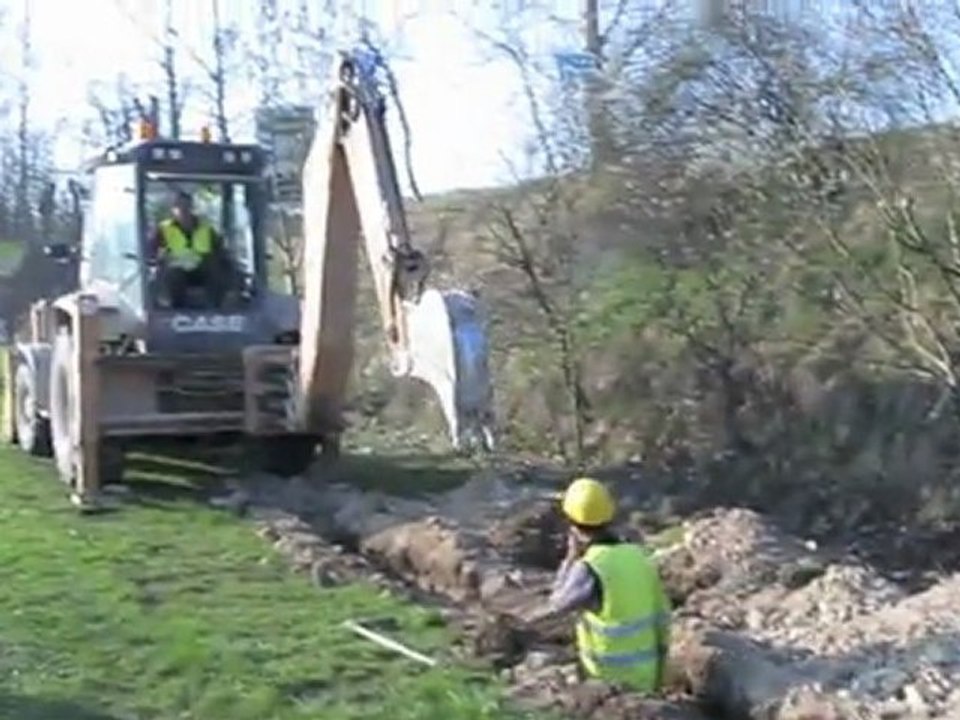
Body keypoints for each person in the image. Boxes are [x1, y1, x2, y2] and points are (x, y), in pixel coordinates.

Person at [525, 477, 671, 693]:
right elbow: (662, 616)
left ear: (573, 525)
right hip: (647, 678)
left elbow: (557, 603)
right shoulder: (638, 556)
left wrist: (571, 557)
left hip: (609, 684)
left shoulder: (591, 568)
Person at [151, 190, 227, 308]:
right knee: (172, 275)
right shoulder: (163, 229)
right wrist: (160, 256)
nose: (183, 210)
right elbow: (151, 251)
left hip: (201, 271)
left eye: (186, 206)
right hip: (177, 272)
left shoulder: (206, 228)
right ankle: (176, 310)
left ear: (192, 207)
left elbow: (220, 250)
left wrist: (215, 258)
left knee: (215, 269)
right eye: (179, 206)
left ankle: (216, 309)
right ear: (173, 209)